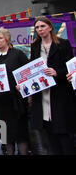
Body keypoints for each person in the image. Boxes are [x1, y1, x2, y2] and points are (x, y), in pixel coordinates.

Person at [29, 16, 75, 155]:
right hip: (43, 94)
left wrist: (56, 72)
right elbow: (32, 69)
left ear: (50, 27)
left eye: (42, 26)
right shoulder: (35, 46)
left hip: (59, 93)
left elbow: (70, 68)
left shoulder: (63, 44)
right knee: (49, 134)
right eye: (37, 27)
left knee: (63, 133)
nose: (40, 30)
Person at [0, 27, 29, 155]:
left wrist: (23, 84)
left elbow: (27, 73)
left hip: (16, 103)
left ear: (7, 39)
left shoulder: (17, 54)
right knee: (5, 137)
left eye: (0, 38)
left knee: (20, 134)